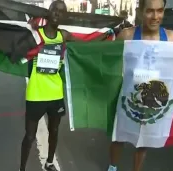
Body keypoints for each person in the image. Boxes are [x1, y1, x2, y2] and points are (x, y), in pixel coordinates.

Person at [20, 1, 112, 171]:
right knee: (29, 136)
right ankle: (22, 168)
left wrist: (108, 34)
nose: (57, 13)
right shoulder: (36, 35)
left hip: (55, 93)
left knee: (54, 131)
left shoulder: (64, 35)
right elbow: (16, 43)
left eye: (61, 12)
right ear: (49, 12)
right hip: (36, 93)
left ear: (64, 17)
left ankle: (49, 163)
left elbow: (85, 45)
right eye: (54, 10)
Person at [107, 0, 173, 171]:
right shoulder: (127, 36)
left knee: (144, 140)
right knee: (118, 136)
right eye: (150, 11)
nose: (155, 17)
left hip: (153, 100)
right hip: (127, 97)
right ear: (140, 11)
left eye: (159, 11)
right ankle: (112, 167)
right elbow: (108, 62)